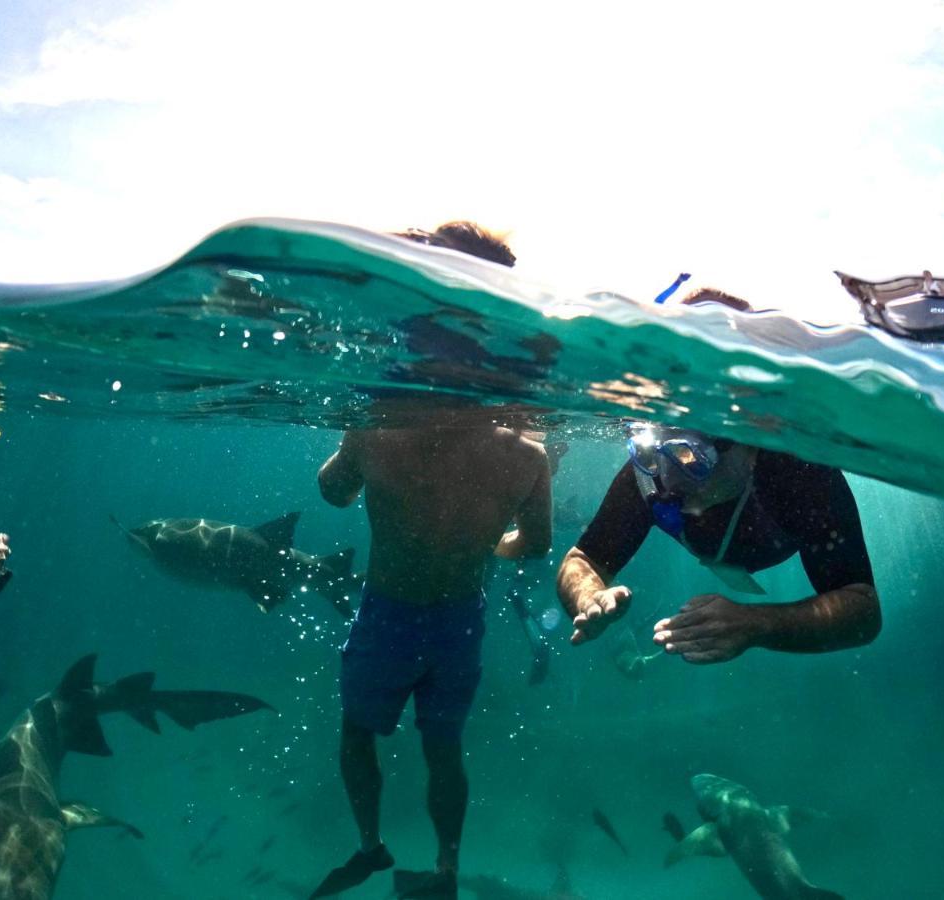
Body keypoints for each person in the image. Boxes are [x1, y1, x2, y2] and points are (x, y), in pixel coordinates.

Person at [311, 223, 553, 900]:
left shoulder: (378, 426)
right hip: (460, 621)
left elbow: (331, 493)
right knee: (443, 748)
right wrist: (484, 543)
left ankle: (370, 847)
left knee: (358, 731)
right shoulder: (527, 455)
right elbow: (534, 546)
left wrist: (351, 448)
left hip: (387, 611)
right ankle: (446, 870)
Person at [557, 289, 879, 664]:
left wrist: (757, 624)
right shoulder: (649, 475)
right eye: (660, 452)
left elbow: (863, 609)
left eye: (693, 460)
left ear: (750, 449)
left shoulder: (796, 469)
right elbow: (583, 558)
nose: (672, 481)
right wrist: (590, 596)